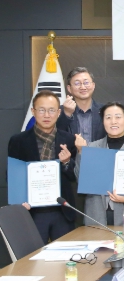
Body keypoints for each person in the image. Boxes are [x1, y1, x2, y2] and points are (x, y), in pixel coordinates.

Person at [8, 91, 77, 242]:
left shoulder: (69, 139)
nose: (46, 115)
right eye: (41, 110)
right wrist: (20, 201)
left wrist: (66, 162)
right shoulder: (18, 140)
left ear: (59, 113)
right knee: (33, 255)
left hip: (62, 211)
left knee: (65, 253)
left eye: (51, 110)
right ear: (33, 111)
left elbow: (74, 176)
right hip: (32, 212)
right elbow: (12, 177)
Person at [74, 102, 124, 226]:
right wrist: (81, 152)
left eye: (118, 117)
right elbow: (80, 179)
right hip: (97, 214)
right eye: (108, 117)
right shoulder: (92, 147)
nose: (113, 121)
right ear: (103, 122)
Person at [56, 67, 105, 143]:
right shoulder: (60, 111)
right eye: (77, 83)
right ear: (69, 88)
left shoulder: (104, 111)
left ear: (93, 85)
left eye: (86, 83)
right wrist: (66, 115)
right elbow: (55, 137)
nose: (82, 87)